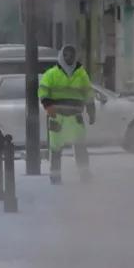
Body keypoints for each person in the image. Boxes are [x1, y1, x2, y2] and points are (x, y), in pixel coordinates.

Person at [39, 43, 94, 184]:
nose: (69, 57)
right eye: (66, 54)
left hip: (75, 116)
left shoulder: (81, 74)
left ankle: (84, 175)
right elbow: (43, 91)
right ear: (61, 56)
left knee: (80, 146)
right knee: (56, 149)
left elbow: (88, 92)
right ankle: (55, 176)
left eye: (71, 54)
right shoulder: (51, 74)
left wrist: (91, 109)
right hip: (57, 116)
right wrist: (48, 106)